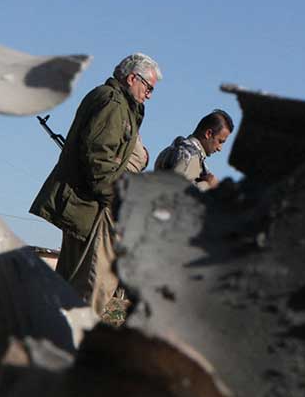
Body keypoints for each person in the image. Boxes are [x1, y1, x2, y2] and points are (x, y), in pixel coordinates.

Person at [30, 53, 160, 313]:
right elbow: (98, 159)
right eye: (148, 87)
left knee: (68, 291)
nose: (149, 95)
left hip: (87, 206)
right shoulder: (114, 103)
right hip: (94, 207)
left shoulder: (114, 102)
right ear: (133, 78)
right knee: (90, 293)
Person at [154, 109, 234, 190]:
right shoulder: (190, 156)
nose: (220, 148)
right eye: (220, 141)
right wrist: (209, 186)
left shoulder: (173, 149)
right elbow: (177, 194)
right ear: (208, 134)